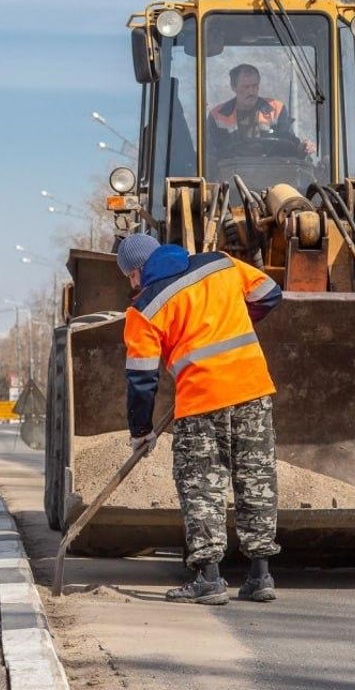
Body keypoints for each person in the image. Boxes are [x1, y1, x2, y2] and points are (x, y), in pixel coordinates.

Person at [117, 232, 283, 605]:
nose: (130, 282)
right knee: (255, 478)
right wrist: (237, 319)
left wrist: (141, 431)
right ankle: (260, 576)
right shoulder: (220, 263)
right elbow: (270, 293)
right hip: (253, 390)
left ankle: (209, 579)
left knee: (202, 487)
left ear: (136, 272)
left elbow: (142, 379)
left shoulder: (144, 309)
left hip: (201, 401)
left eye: (128, 275)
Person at [205, 63, 314, 156]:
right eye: (246, 87)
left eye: (254, 86)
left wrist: (302, 148)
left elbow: (289, 144)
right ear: (233, 87)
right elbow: (211, 155)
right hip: (231, 175)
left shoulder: (276, 109)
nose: (251, 92)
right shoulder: (218, 115)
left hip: (273, 174)